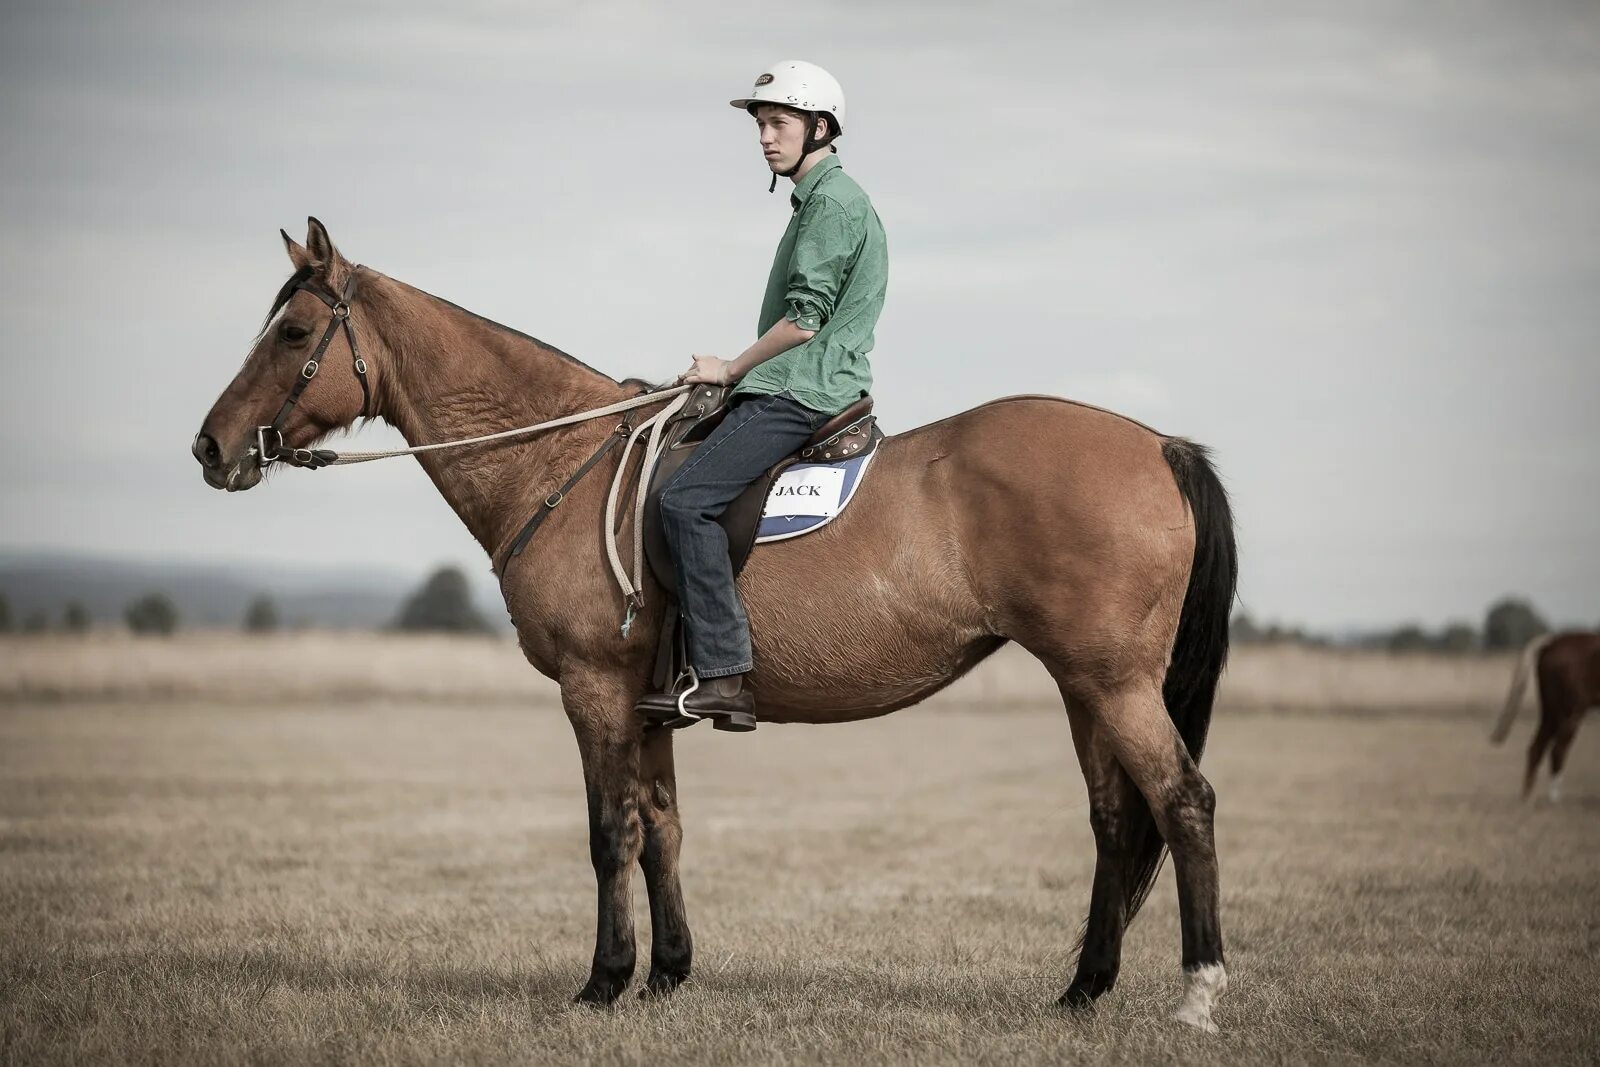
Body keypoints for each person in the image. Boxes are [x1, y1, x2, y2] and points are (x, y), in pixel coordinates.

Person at [645, 60, 888, 732]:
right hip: (789, 382)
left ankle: (721, 673)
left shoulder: (834, 205)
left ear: (818, 127)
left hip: (802, 389)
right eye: (760, 124)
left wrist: (729, 367)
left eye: (777, 122)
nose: (764, 136)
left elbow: (804, 318)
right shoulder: (819, 202)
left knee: (684, 500)